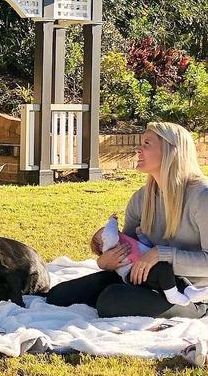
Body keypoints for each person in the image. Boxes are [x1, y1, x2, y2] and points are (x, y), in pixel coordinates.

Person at [47, 122, 208, 318]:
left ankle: (198, 310)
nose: (138, 149)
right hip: (144, 280)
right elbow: (128, 249)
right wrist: (106, 261)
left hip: (192, 292)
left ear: (171, 151)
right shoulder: (142, 198)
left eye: (146, 144)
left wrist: (161, 254)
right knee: (58, 296)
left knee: (111, 301)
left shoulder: (201, 197)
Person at [91, 215, 208, 306]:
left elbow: (144, 247)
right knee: (163, 269)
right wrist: (112, 221)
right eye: (103, 233)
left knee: (174, 276)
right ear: (101, 246)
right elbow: (110, 235)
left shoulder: (123, 241)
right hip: (133, 274)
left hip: (145, 267)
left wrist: (141, 235)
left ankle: (190, 291)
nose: (106, 231)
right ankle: (172, 295)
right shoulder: (109, 247)